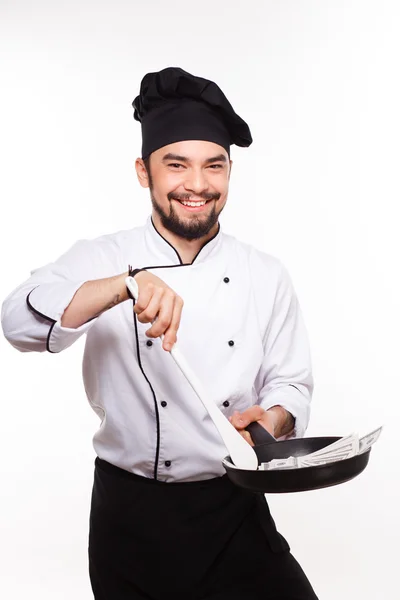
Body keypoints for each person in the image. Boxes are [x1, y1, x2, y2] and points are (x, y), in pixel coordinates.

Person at [1, 67, 318, 600]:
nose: (197, 185)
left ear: (229, 172)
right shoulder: (104, 257)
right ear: (144, 172)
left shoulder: (263, 272)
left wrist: (272, 419)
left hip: (235, 506)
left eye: (213, 166)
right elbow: (17, 322)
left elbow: (291, 383)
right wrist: (123, 286)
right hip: (132, 517)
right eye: (177, 165)